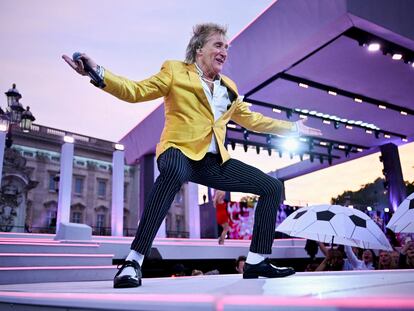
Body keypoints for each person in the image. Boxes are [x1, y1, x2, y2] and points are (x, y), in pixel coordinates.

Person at [63, 23, 322, 288]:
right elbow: (136, 91)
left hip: (212, 161)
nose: (224, 51)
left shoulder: (229, 87)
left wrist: (292, 127)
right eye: (218, 45)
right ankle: (133, 261)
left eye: (226, 47)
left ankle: (256, 261)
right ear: (199, 49)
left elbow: (252, 120)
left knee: (272, 187)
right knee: (175, 172)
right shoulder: (175, 70)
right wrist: (98, 72)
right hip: (178, 151)